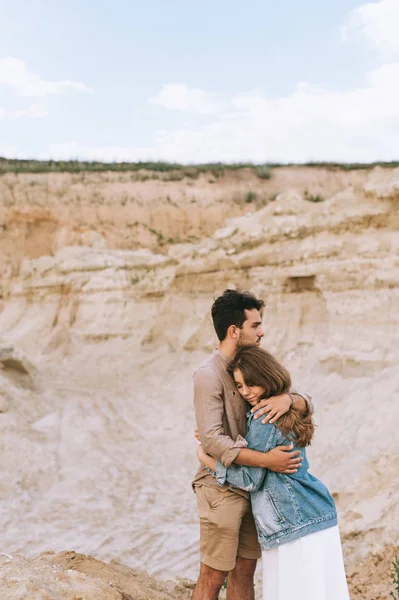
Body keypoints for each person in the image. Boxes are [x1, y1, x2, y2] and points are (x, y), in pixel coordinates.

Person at [197, 345, 350, 600]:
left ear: (266, 378)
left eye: (251, 385)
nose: (245, 392)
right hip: (317, 518)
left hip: (292, 525)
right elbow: (306, 403)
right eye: (240, 386)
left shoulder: (263, 417)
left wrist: (207, 459)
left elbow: (249, 480)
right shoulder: (286, 407)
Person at [192, 289, 313, 600]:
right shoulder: (208, 375)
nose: (262, 332)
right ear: (235, 331)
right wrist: (267, 461)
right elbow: (213, 440)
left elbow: (301, 401)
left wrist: (290, 399)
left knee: (246, 571)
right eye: (255, 325)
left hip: (255, 489)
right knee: (213, 574)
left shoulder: (252, 364)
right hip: (221, 487)